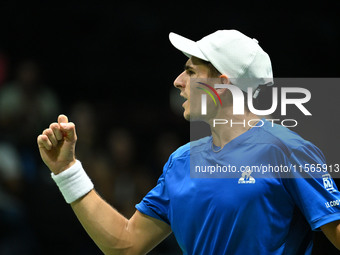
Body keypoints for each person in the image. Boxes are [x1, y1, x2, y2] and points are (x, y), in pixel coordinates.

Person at [37, 30, 340, 254]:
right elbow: (125, 245)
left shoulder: (287, 150)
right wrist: (67, 170)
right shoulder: (181, 162)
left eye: (191, 71)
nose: (178, 81)